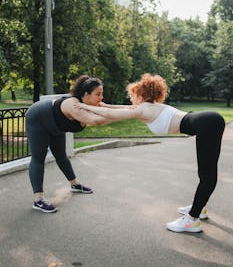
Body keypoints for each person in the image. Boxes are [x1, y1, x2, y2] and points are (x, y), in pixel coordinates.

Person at [76, 73, 225, 233]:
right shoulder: (149, 106)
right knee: (207, 175)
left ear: (140, 97)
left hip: (207, 124)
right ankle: (199, 207)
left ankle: (192, 220)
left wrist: (85, 106)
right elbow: (122, 108)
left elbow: (113, 115)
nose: (131, 99)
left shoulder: (144, 110)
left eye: (132, 96)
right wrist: (102, 104)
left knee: (207, 176)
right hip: (208, 121)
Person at [26, 75, 130, 213]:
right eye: (98, 94)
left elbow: (111, 108)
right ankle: (38, 200)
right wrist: (131, 115)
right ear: (86, 95)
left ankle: (74, 185)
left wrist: (134, 109)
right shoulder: (73, 105)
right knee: (39, 158)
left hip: (56, 125)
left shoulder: (91, 104)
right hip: (38, 117)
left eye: (101, 94)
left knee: (61, 156)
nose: (101, 98)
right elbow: (96, 121)